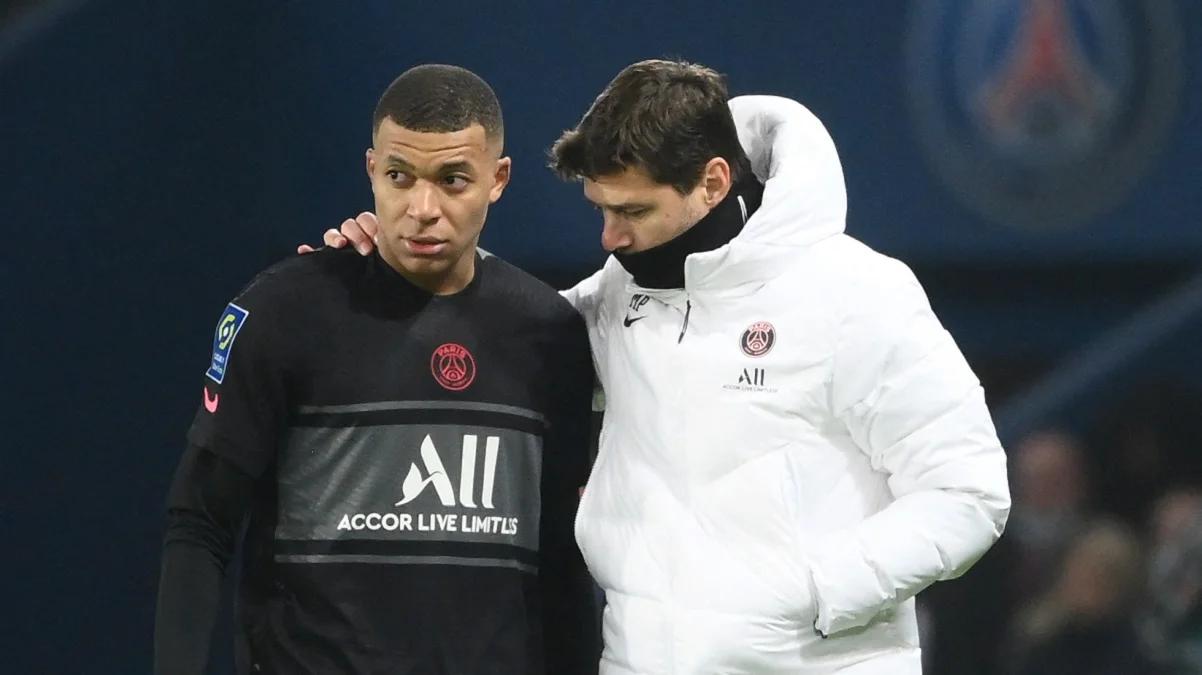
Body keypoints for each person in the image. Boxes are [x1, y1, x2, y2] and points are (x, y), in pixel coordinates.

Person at [311, 58, 1011, 674]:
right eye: (600, 209)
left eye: (633, 211)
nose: (609, 238)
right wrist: (383, 270)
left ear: (712, 182)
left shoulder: (858, 294)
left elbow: (969, 493)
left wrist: (815, 594)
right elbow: (496, 336)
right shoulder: (622, 294)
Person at [155, 64, 600, 675]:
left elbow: (561, 559)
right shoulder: (283, 312)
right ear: (371, 171)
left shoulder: (551, 334)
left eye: (452, 180)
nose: (422, 208)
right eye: (399, 177)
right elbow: (200, 523)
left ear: (498, 179)